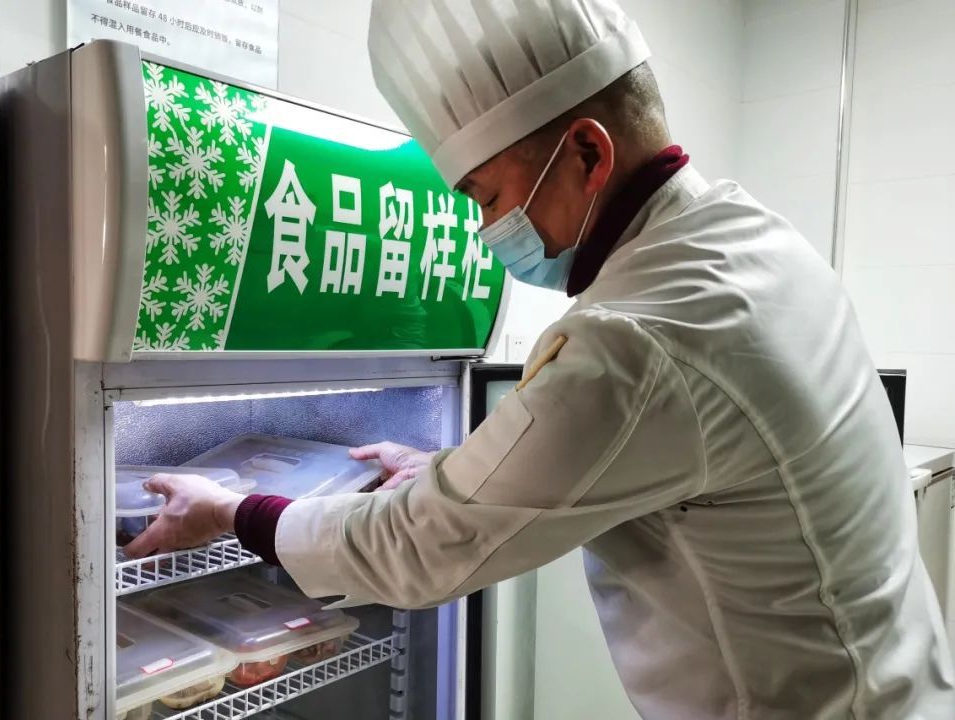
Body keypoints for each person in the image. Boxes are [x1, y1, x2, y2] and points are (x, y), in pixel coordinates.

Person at [125, 0, 955, 717]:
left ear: (588, 154)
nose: (488, 232)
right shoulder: (749, 240)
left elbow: (425, 547)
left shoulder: (637, 340)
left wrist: (230, 510)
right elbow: (618, 451)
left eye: (487, 197)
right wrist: (445, 469)